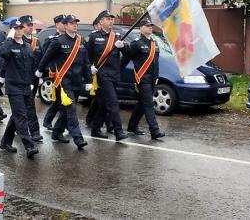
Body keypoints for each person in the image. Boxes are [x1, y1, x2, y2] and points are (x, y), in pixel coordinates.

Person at [37, 14, 91, 150]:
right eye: (72, 23)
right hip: (64, 82)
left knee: (66, 110)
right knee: (72, 109)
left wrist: (89, 79)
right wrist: (40, 71)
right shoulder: (58, 41)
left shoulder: (81, 41)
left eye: (76, 23)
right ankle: (78, 138)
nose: (75, 25)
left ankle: (56, 132)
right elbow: (46, 57)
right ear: (65, 25)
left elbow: (86, 62)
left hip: (77, 81)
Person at [0, 20, 39, 158]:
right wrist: (9, 38)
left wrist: (32, 81)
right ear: (11, 30)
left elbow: (32, 65)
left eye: (21, 27)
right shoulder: (8, 45)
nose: (19, 30)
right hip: (13, 86)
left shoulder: (27, 46)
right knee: (21, 116)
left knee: (19, 115)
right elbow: (2, 54)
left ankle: (5, 142)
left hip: (26, 86)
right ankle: (29, 146)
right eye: (16, 28)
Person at [86, 10, 127, 141]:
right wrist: (89, 68)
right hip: (102, 76)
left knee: (103, 103)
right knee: (113, 102)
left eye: (112, 19)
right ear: (101, 21)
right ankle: (118, 131)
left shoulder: (117, 37)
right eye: (108, 19)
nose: (111, 21)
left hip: (114, 74)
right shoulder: (93, 37)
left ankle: (95, 129)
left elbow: (128, 53)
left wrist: (123, 46)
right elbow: (85, 56)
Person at [122, 18, 164, 139]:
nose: (150, 27)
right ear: (141, 28)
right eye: (147, 26)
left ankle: (132, 126)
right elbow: (127, 56)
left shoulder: (154, 42)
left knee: (142, 103)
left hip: (152, 78)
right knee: (149, 103)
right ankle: (154, 131)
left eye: (151, 25)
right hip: (142, 77)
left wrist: (156, 77)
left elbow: (156, 62)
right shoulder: (136, 43)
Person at [18, 15, 43, 142]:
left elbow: (41, 59)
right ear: (21, 26)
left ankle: (33, 131)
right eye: (29, 25)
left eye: (32, 25)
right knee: (25, 107)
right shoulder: (17, 40)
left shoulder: (36, 41)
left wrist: (40, 76)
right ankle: (28, 130)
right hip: (21, 80)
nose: (31, 27)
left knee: (29, 105)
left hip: (33, 78)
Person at [40, 14, 67, 129]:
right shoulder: (51, 39)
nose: (65, 25)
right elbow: (46, 57)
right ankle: (63, 126)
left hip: (68, 73)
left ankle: (48, 120)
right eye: (62, 23)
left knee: (60, 100)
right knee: (61, 100)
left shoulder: (70, 38)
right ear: (57, 24)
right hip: (56, 73)